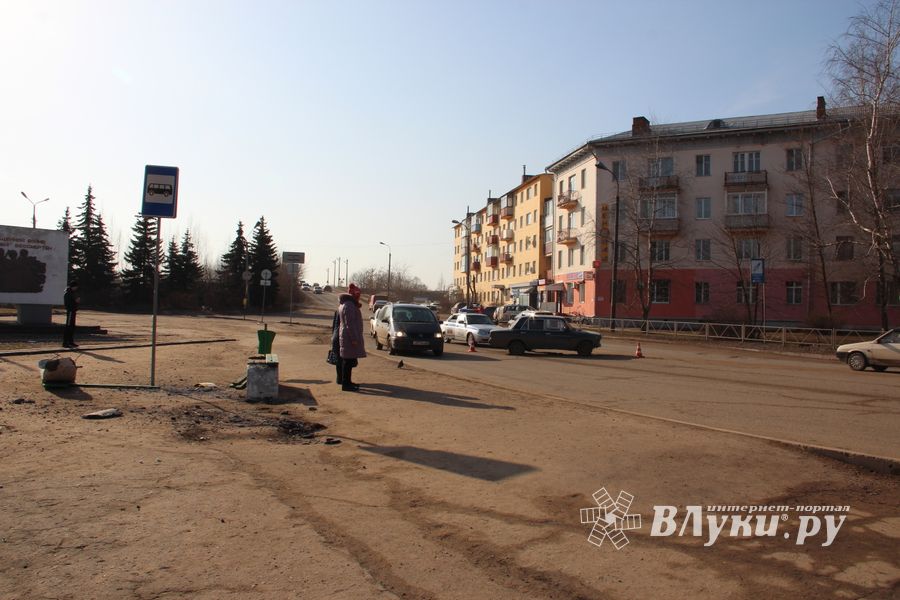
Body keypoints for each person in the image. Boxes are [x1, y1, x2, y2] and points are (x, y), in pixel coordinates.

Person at [337, 283, 366, 391]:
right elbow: (350, 324)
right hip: (349, 338)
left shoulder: (347, 304)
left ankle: (348, 382)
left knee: (348, 361)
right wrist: (354, 338)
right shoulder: (349, 305)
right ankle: (346, 384)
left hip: (346, 336)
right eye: (358, 295)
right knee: (348, 361)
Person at [63, 281, 80, 348]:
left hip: (73, 311)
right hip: (70, 311)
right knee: (68, 327)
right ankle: (65, 342)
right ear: (73, 286)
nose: (76, 288)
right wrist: (75, 301)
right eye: (76, 286)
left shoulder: (72, 293)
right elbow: (68, 304)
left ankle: (70, 341)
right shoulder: (68, 294)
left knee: (72, 327)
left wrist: (76, 302)